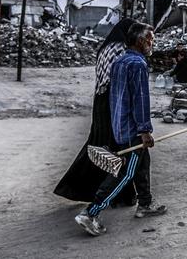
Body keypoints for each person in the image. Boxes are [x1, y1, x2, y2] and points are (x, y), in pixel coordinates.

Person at [75, 22, 167, 236]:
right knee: (125, 173)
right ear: (141, 41)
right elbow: (140, 100)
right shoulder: (137, 64)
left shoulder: (120, 61)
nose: (152, 43)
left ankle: (145, 203)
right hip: (132, 131)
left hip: (120, 126)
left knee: (142, 163)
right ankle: (91, 213)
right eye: (151, 39)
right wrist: (144, 130)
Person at [54, 19, 139, 207]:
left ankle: (78, 188)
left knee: (99, 145)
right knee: (118, 147)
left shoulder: (105, 48)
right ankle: (119, 196)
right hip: (112, 100)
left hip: (100, 100)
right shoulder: (121, 49)